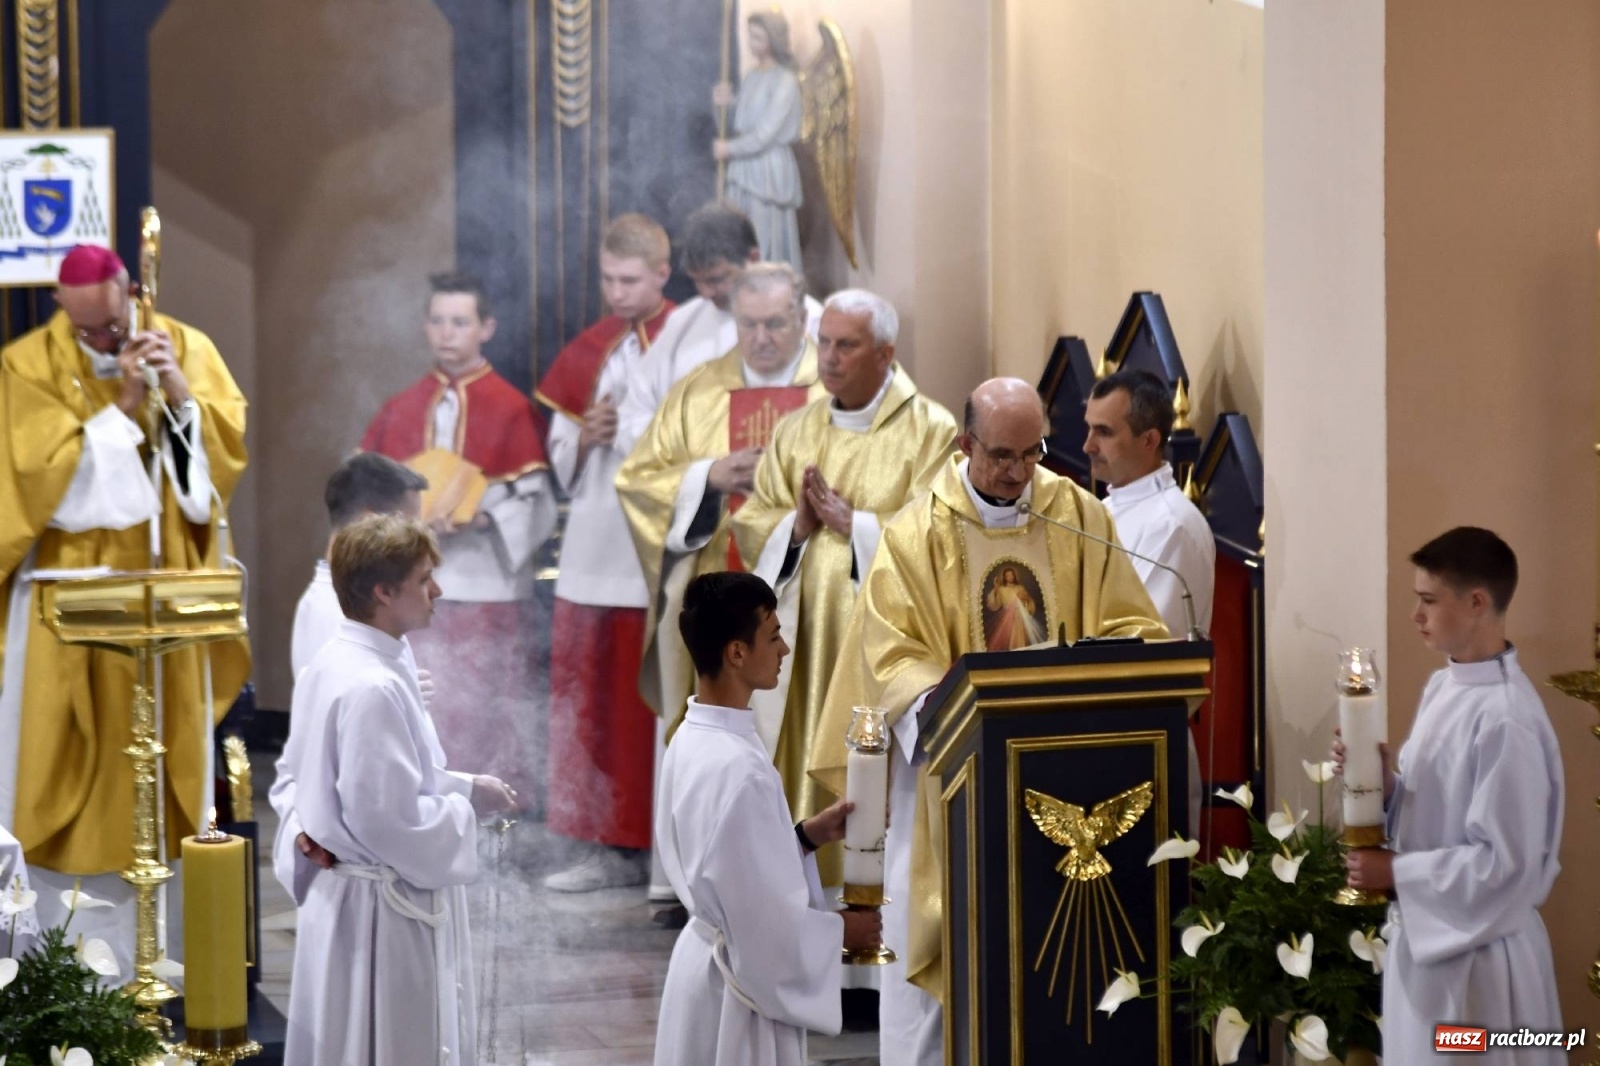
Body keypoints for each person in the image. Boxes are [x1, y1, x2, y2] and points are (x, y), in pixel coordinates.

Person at [810, 377, 1166, 1066]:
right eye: (1001, 454)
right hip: (952, 783)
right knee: (937, 974)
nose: (1018, 472)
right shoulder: (917, 534)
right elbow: (890, 656)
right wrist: (952, 698)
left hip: (1060, 782)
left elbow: (1131, 623)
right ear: (964, 443)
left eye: (1032, 454)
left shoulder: (1078, 516)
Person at [0, 244, 249, 964]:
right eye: (87, 334)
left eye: (111, 327)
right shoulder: (27, 366)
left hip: (160, 602)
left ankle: (160, 956)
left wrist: (176, 394)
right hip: (62, 614)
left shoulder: (188, 348)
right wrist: (127, 407)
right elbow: (47, 492)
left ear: (131, 291)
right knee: (56, 771)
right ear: (58, 306)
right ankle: (52, 964)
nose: (103, 343)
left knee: (163, 772)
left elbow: (203, 489)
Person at [279, 514, 518, 1066]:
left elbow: (319, 777)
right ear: (384, 592)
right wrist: (464, 811)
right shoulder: (373, 684)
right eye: (425, 578)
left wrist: (463, 786)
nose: (438, 590)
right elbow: (388, 818)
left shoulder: (338, 662)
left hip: (344, 898)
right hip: (382, 916)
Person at [731, 289, 955, 861]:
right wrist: (797, 527)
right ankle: (799, 869)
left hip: (878, 637)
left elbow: (942, 538)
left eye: (846, 345)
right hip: (801, 641)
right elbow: (755, 518)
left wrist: (857, 526)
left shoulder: (931, 430)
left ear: (885, 353)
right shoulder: (796, 429)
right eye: (823, 342)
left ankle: (864, 889)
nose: (829, 357)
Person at [1335, 527, 1563, 1066]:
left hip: (1481, 967)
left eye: (1429, 601)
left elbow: (1505, 866)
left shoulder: (1507, 719)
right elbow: (1438, 813)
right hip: (1433, 947)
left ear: (1478, 602)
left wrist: (1394, 873)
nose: (1417, 615)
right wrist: (1385, 784)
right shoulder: (1447, 686)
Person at [653, 570, 881, 1066]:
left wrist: (803, 837)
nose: (783, 649)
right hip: (737, 994)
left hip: (701, 970)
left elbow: (724, 866)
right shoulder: (737, 767)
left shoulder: (692, 736)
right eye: (773, 636)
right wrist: (843, 931)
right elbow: (760, 925)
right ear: (737, 652)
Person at [360, 271, 555, 807]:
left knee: (491, 707)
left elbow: (537, 502)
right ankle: (424, 807)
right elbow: (363, 494)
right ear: (426, 326)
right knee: (431, 705)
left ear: (486, 327)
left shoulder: (512, 408)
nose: (448, 333)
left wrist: (485, 520)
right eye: (439, 321)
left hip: (487, 582)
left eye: (461, 322)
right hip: (412, 592)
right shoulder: (401, 406)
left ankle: (496, 822)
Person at [617, 262, 825, 731]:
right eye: (748, 324)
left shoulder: (830, 391)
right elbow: (637, 482)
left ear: (800, 319)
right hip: (719, 587)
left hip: (807, 597)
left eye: (774, 323)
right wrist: (707, 477)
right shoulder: (698, 392)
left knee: (797, 728)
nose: (760, 337)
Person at [534, 214, 675, 893]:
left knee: (641, 708)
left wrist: (636, 428)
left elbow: (690, 437)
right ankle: (595, 845)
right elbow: (559, 459)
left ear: (661, 275)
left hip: (652, 558)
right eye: (607, 279)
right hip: (591, 548)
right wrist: (585, 436)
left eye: (629, 280)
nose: (616, 293)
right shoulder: (590, 347)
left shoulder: (689, 340)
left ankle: (652, 849)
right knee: (588, 708)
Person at [271, 452, 431, 897]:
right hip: (359, 855)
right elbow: (340, 732)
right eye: (407, 524)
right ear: (369, 521)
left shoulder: (345, 602)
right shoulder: (337, 611)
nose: (418, 538)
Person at [1084, 367, 1215, 834]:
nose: (1087, 446)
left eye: (1104, 432)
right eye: (1088, 429)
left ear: (1149, 439)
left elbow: (1138, 641)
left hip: (1141, 741)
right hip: (1096, 738)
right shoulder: (1103, 510)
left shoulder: (1171, 524)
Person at [615, 202, 821, 457]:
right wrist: (697, 457)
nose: (705, 293)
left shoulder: (809, 320)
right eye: (697, 281)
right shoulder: (682, 323)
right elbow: (632, 415)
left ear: (753, 258)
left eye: (717, 279)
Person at [713, 13, 804, 274]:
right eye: (750, 35)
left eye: (758, 37)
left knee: (764, 237)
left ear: (773, 40)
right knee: (739, 234)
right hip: (745, 167)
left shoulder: (786, 81)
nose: (752, 42)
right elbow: (740, 123)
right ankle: (741, 286)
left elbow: (766, 134)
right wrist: (725, 104)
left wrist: (729, 149)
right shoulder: (752, 76)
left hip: (768, 170)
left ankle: (766, 290)